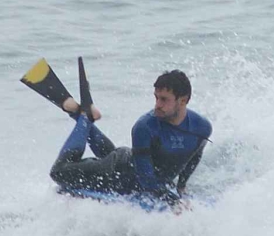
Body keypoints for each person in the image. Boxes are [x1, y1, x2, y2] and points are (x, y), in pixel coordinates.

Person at [49, 69, 212, 206]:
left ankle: (81, 113)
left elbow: (194, 156)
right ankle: (84, 117)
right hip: (118, 173)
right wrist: (174, 201)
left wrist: (181, 187)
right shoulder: (144, 126)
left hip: (133, 161)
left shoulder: (202, 128)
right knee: (58, 172)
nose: (157, 105)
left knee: (113, 154)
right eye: (156, 97)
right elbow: (146, 180)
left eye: (164, 99)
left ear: (183, 101)